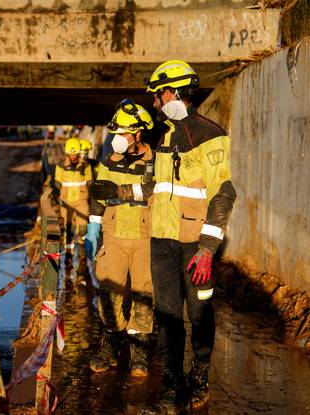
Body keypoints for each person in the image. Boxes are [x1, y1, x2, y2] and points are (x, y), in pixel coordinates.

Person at [90, 60, 236, 413]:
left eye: (158, 96)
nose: (155, 103)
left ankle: (198, 381)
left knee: (199, 313)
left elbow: (224, 193)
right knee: (168, 316)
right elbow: (157, 187)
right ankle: (171, 391)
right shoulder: (165, 136)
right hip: (162, 241)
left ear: (174, 92)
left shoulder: (209, 135)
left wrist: (206, 249)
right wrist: (119, 196)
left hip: (194, 245)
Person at [85, 100, 155, 377]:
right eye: (115, 133)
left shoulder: (156, 159)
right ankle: (110, 347)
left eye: (123, 133)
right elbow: (100, 194)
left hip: (145, 237)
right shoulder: (109, 160)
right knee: (109, 291)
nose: (117, 139)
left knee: (144, 295)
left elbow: (153, 189)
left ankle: (139, 351)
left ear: (138, 133)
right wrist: (93, 227)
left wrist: (124, 190)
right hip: (113, 236)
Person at [53, 138, 93, 265]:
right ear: (67, 153)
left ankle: (81, 252)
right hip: (66, 202)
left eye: (75, 153)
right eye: (71, 154)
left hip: (81, 201)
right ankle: (69, 254)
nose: (73, 156)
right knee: (68, 228)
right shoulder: (60, 166)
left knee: (82, 228)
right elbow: (57, 182)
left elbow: (89, 181)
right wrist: (58, 197)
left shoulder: (85, 165)